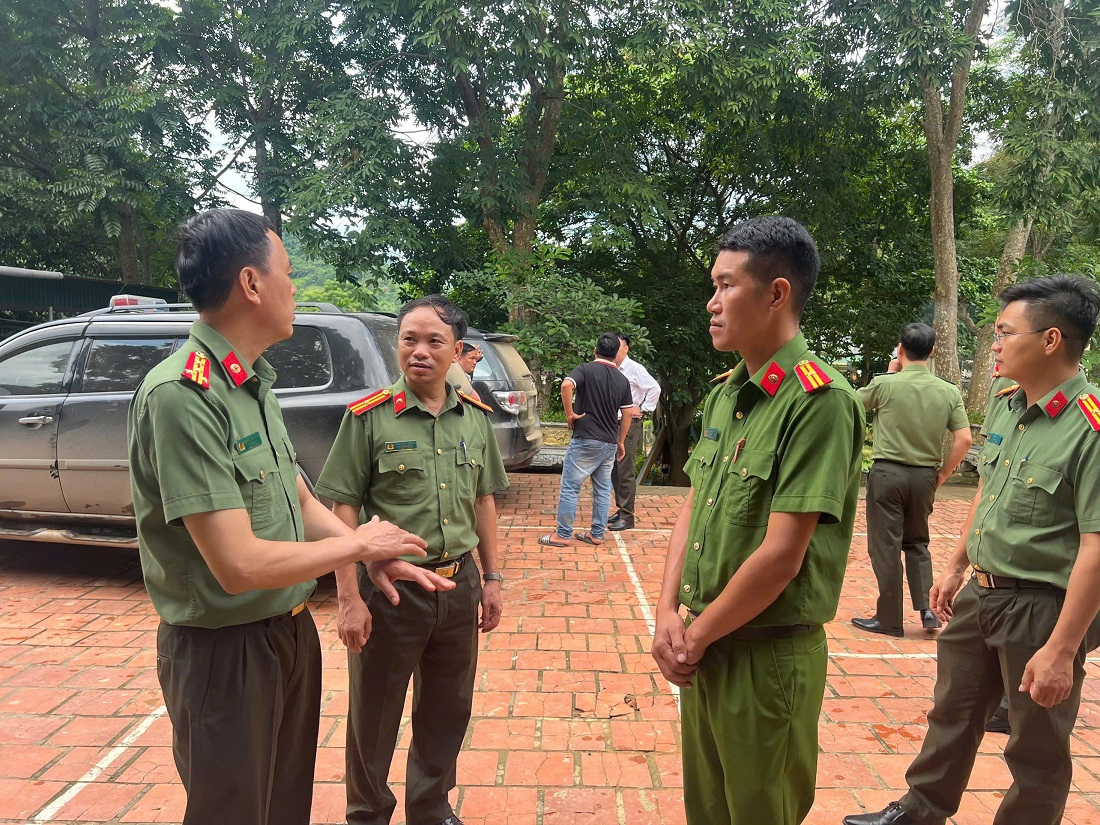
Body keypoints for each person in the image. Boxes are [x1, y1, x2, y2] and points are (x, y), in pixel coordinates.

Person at [127, 208, 440, 825]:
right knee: (233, 813)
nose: (294, 288)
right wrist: (358, 546)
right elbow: (238, 565)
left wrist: (369, 552)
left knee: (284, 806)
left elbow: (298, 499)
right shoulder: (184, 396)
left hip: (287, 634)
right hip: (225, 653)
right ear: (251, 283)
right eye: (288, 273)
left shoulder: (252, 384)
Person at [843, 274, 1100, 825]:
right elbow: (988, 490)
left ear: (1050, 340)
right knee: (951, 714)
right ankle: (921, 810)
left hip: (1041, 607)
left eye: (1005, 332)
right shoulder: (1008, 405)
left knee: (1036, 746)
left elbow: (1096, 547)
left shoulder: (1090, 427)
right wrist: (957, 565)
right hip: (981, 593)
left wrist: (1062, 648)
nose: (995, 344)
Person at [651, 216, 865, 824]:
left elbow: (781, 556)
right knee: (708, 812)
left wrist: (693, 637)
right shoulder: (728, 393)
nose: (712, 303)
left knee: (760, 813)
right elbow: (694, 505)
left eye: (726, 285)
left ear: (776, 294)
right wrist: (668, 611)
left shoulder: (820, 402)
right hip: (707, 643)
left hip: (765, 657)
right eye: (713, 286)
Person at [314, 295, 509, 825]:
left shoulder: (474, 419)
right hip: (391, 592)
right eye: (409, 339)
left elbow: (484, 500)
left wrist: (492, 579)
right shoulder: (369, 418)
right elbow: (342, 510)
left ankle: (430, 807)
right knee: (374, 714)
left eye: (433, 341)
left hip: (458, 586)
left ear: (457, 351)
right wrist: (348, 597)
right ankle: (367, 813)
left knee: (448, 708)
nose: (419, 351)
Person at [851, 323, 972, 637]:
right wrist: (943, 473)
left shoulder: (885, 384)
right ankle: (928, 612)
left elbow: (849, 405)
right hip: (924, 477)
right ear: (932, 351)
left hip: (887, 475)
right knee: (918, 543)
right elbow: (964, 439)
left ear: (900, 349)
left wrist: (891, 374)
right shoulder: (948, 391)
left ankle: (889, 619)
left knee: (885, 546)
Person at [539, 332, 633, 547]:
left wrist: (570, 414)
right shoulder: (622, 379)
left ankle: (563, 535)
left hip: (585, 438)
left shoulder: (584, 369)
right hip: (609, 441)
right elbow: (627, 412)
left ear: (595, 350)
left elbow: (566, 385)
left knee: (571, 487)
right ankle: (597, 534)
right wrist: (620, 441)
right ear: (616, 354)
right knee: (602, 490)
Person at [608, 333, 661, 531]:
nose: (615, 350)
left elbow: (654, 388)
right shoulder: (611, 367)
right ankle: (621, 509)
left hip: (628, 424)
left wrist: (644, 408)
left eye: (619, 346)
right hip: (611, 423)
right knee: (614, 469)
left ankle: (627, 516)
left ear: (626, 348)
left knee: (625, 470)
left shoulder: (635, 368)